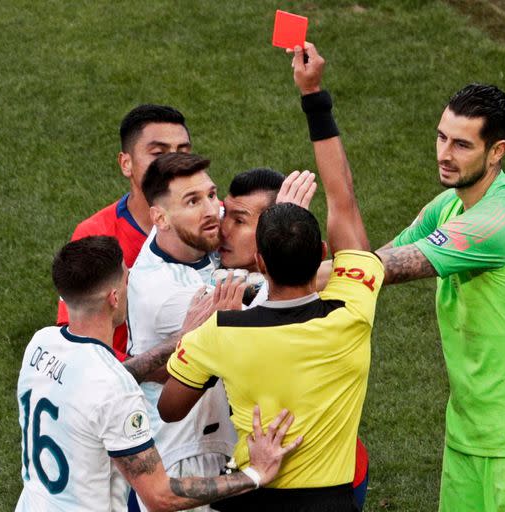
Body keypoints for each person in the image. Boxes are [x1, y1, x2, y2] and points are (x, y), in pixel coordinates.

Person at [158, 43, 384, 511]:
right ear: (322, 255)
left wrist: (191, 336)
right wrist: (314, 96)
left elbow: (170, 408)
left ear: (260, 261)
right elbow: (343, 202)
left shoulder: (219, 331)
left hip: (251, 496)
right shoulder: (353, 312)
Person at [373, 84, 505, 510]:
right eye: (441, 137)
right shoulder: (447, 205)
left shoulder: (497, 221)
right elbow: (372, 261)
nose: (444, 154)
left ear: (496, 151)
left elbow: (380, 271)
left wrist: (282, 269)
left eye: (461, 144)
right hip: (469, 440)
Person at [16, 235, 301, 511]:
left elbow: (105, 378)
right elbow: (160, 496)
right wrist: (255, 474)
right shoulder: (114, 390)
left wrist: (184, 335)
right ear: (114, 298)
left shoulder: (42, 344)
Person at [219, 167, 370, 508]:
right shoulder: (218, 282)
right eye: (223, 214)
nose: (222, 230)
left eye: (240, 221)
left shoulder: (229, 314)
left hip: (317, 477)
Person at [126, 153, 242, 512]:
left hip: (209, 441)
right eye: (193, 201)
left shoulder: (181, 236)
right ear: (159, 217)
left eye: (211, 194)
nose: (211, 211)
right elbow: (279, 289)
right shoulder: (166, 293)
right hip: (185, 457)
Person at [56, 105, 192, 360]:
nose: (175, 163)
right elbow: (79, 341)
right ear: (126, 163)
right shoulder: (96, 234)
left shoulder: (215, 218)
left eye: (183, 152)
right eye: (158, 152)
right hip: (130, 384)